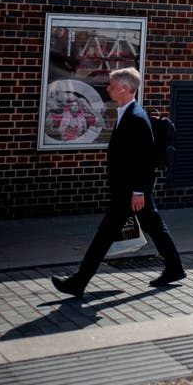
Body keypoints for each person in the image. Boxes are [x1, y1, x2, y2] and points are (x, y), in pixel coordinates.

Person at [51, 67, 185, 297]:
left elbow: (143, 159)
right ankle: (174, 267)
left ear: (124, 88)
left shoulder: (136, 117)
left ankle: (78, 282)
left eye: (111, 85)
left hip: (130, 191)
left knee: (104, 236)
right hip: (131, 189)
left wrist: (138, 192)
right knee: (154, 226)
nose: (108, 88)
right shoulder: (126, 112)